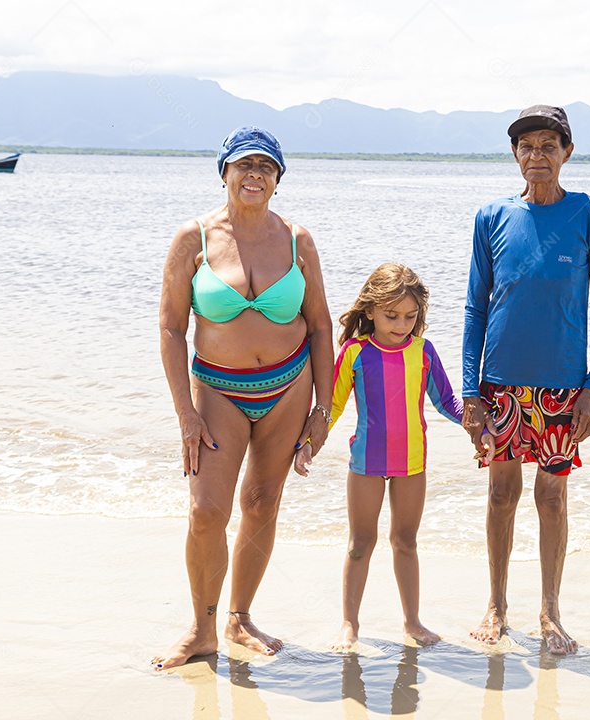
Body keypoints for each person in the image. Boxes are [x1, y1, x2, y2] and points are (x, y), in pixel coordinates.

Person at [153, 126, 334, 669]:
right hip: (217, 390)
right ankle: (201, 630)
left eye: (266, 167)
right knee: (207, 510)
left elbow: (322, 326)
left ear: (278, 181)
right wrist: (185, 412)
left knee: (261, 505)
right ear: (225, 172)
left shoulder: (299, 240)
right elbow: (169, 328)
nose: (254, 174)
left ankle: (241, 617)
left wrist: (322, 411)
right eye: (244, 164)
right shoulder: (195, 237)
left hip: (288, 387)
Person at [462, 105, 590, 654]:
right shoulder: (491, 217)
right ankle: (496, 605)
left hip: (562, 388)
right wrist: (471, 390)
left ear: (567, 153)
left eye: (548, 145)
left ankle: (550, 611)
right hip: (502, 384)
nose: (537, 156)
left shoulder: (589, 216)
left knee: (551, 499)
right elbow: (474, 309)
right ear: (514, 154)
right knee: (501, 494)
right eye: (526, 146)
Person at [299, 263, 481, 651]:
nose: (402, 325)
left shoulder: (423, 351)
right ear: (370, 311)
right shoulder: (355, 353)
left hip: (412, 463)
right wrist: (309, 446)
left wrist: (478, 426)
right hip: (365, 462)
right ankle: (349, 624)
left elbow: (447, 401)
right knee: (360, 543)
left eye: (411, 317)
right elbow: (330, 406)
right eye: (392, 316)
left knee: (406, 542)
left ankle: (413, 622)